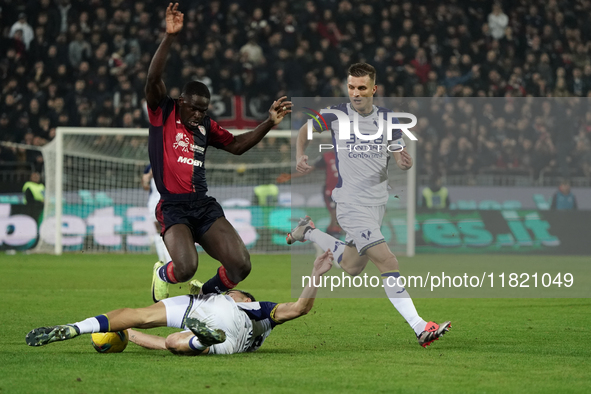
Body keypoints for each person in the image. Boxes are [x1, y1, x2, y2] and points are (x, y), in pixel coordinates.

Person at [289, 63, 450, 347]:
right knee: (388, 261)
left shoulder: (388, 119)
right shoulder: (336, 113)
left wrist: (402, 158)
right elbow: (304, 129)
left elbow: (398, 148)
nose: (356, 93)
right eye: (351, 87)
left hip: (377, 205)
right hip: (350, 204)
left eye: (362, 88)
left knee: (352, 267)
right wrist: (301, 154)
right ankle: (420, 326)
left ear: (373, 89)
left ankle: (308, 231)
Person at [145, 3, 292, 302]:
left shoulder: (206, 128)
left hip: (203, 205)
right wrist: (170, 37)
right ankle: (162, 273)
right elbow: (152, 79)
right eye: (194, 108)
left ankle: (206, 296)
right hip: (173, 207)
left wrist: (268, 123)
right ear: (181, 101)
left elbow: (237, 146)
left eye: (204, 109)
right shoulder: (164, 111)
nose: (199, 114)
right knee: (186, 268)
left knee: (240, 265)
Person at [25, 250, 334, 356]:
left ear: (245, 298)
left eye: (239, 292)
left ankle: (77, 327)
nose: (235, 292)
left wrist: (316, 273)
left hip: (222, 322)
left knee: (138, 315)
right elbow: (299, 307)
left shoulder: (258, 310)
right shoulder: (257, 316)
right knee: (171, 341)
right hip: (217, 334)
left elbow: (297, 308)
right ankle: (199, 339)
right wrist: (129, 334)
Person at [277, 151, 343, 237]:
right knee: (335, 213)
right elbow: (309, 170)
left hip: (344, 191)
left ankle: (330, 234)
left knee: (341, 216)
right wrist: (290, 176)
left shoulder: (349, 156)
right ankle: (332, 235)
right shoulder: (326, 156)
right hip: (330, 191)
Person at [142, 164, 172, 263]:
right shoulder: (150, 166)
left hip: (167, 199)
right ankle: (162, 259)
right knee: (158, 229)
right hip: (153, 201)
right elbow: (145, 186)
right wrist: (149, 176)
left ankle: (168, 259)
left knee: (167, 229)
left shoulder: (170, 163)